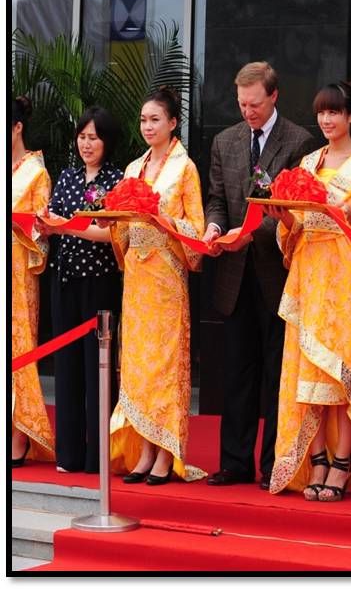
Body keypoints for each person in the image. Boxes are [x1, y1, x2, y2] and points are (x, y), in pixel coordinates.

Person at [268, 82, 351, 501]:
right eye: (321, 112)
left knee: (340, 372)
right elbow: (298, 227)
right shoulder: (308, 162)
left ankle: (341, 462)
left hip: (344, 274)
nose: (326, 120)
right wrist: (284, 219)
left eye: (334, 112)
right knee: (307, 372)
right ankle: (316, 460)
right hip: (308, 272)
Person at [202, 61, 314, 490]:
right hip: (233, 274)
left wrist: (248, 234)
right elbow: (217, 198)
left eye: (255, 104)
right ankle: (234, 462)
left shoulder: (298, 142)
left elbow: (293, 211)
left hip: (275, 271)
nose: (248, 111)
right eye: (242, 104)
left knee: (275, 374)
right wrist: (215, 228)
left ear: (273, 96)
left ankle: (273, 464)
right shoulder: (226, 141)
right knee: (236, 373)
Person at [107, 87, 206, 484]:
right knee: (138, 366)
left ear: (173, 123)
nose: (148, 126)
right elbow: (121, 227)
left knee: (165, 366)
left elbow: (196, 229)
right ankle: (145, 450)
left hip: (166, 274)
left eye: (155, 120)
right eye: (143, 120)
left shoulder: (185, 168)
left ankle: (166, 453)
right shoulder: (133, 168)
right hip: (137, 277)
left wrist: (162, 221)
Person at [38, 107, 124, 473]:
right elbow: (52, 218)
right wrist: (44, 225)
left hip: (99, 281)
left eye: (94, 138)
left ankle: (97, 456)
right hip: (64, 278)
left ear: (107, 142)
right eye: (82, 137)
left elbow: (111, 233)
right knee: (68, 367)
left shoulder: (117, 180)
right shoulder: (67, 176)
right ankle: (69, 454)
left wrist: (65, 226)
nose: (86, 144)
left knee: (97, 368)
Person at [11, 95, 54, 468]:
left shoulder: (36, 173)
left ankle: (20, 432)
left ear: (17, 127)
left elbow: (43, 232)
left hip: (18, 268)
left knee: (19, 347)